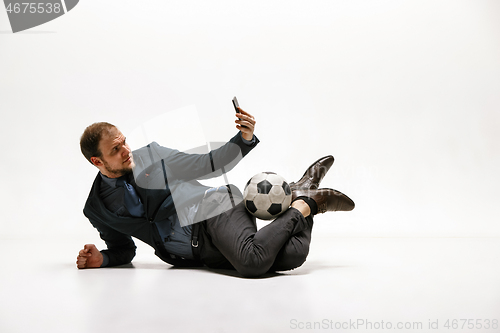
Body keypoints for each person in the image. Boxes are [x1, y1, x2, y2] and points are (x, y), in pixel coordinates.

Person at [76, 108, 355, 277]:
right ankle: (304, 195)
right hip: (197, 254)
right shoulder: (97, 209)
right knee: (291, 256)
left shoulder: (152, 155)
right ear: (97, 162)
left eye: (124, 142)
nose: (126, 151)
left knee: (252, 262)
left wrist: (243, 139)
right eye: (115, 149)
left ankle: (305, 203)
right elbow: (124, 250)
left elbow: (208, 163)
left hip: (213, 208)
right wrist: (104, 259)